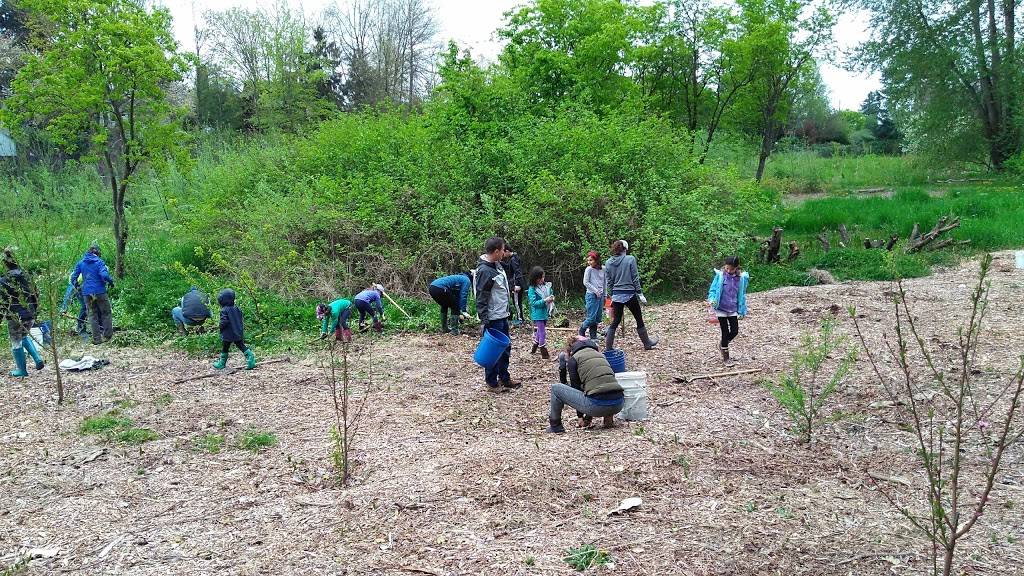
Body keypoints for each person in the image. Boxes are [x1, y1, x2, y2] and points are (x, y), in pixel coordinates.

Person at [548, 336, 624, 433]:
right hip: (618, 404)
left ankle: (556, 426)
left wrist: (580, 417)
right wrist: (588, 417)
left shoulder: (574, 359)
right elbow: (602, 382)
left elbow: (577, 388)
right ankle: (608, 418)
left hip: (597, 406)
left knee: (556, 388)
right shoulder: (601, 355)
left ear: (570, 350)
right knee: (604, 383)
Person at [475, 236, 519, 390]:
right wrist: (484, 318)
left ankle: (504, 378)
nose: (504, 253)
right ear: (495, 251)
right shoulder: (484, 271)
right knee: (494, 350)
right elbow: (481, 296)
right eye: (502, 250)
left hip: (502, 314)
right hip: (493, 318)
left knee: (505, 348)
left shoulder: (497, 265)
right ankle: (492, 382)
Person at [604, 240, 658, 351]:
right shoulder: (630, 259)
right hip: (629, 294)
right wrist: (640, 293)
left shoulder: (608, 262)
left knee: (616, 321)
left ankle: (608, 348)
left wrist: (611, 295)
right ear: (625, 249)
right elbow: (635, 278)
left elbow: (609, 282)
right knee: (638, 318)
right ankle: (647, 343)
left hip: (616, 295)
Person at [1, 248, 44, 377]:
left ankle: (22, 370)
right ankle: (38, 359)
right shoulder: (27, 276)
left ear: (5, 264)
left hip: (15, 316)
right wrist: (35, 311)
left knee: (16, 341)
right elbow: (35, 294)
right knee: (24, 336)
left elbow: (2, 302)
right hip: (30, 314)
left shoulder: (3, 281)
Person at [68, 242, 115, 345]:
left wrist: (78, 286)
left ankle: (97, 339)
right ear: (98, 253)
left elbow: (73, 278)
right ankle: (107, 336)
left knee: (92, 315)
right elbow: (104, 275)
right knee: (106, 313)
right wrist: (111, 282)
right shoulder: (99, 262)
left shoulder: (81, 263)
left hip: (87, 293)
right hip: (100, 291)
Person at [707, 256, 749, 363]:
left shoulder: (741, 279)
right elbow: (712, 290)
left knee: (734, 331)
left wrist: (742, 310)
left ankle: (722, 344)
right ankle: (726, 357)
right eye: (727, 268)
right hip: (721, 308)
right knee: (725, 332)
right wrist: (712, 299)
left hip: (733, 308)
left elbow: (742, 294)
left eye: (731, 269)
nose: (729, 271)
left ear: (736, 268)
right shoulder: (720, 276)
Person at [213, 288, 256, 370]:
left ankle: (221, 363)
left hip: (228, 334)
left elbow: (224, 321)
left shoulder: (224, 310)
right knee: (241, 345)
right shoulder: (237, 308)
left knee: (225, 347)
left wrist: (220, 327)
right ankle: (251, 359)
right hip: (238, 331)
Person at [527, 266, 554, 359]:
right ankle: (543, 351)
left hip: (545, 312)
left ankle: (534, 347)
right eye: (541, 278)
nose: (543, 279)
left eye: (543, 277)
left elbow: (550, 293)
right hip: (537, 314)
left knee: (539, 331)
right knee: (542, 332)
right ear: (536, 279)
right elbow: (533, 303)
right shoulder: (532, 289)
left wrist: (551, 298)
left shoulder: (545, 286)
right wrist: (545, 300)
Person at [579, 250, 604, 340]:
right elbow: (586, 282)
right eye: (588, 260)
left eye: (591, 260)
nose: (589, 262)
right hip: (591, 295)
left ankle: (593, 336)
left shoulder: (603, 269)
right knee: (591, 317)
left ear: (596, 260)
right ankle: (581, 331)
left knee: (597, 317)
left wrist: (604, 294)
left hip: (600, 296)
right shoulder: (588, 269)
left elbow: (604, 282)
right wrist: (595, 291)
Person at [502, 243, 526, 325]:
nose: (503, 255)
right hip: (517, 283)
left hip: (517, 285)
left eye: (504, 253)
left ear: (507, 251)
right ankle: (520, 317)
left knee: (517, 302)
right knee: (517, 302)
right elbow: (509, 268)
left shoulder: (513, 259)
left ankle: (520, 319)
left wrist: (518, 285)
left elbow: (517, 272)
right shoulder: (513, 258)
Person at [59, 268, 88, 336]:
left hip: (83, 285)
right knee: (85, 306)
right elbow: (69, 293)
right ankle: (81, 327)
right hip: (77, 284)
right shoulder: (77, 278)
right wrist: (64, 308)